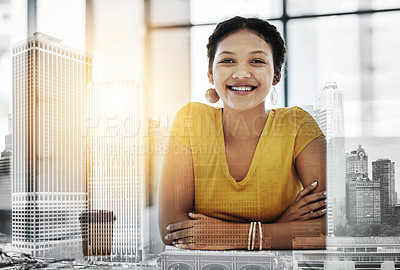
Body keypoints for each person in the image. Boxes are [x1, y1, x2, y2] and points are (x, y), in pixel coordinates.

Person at [158, 16, 326, 250]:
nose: (241, 73)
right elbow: (172, 230)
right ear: (210, 73)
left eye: (256, 61)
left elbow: (327, 229)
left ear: (276, 74)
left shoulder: (298, 125)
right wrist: (280, 227)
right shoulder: (190, 121)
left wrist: (235, 235)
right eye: (228, 60)